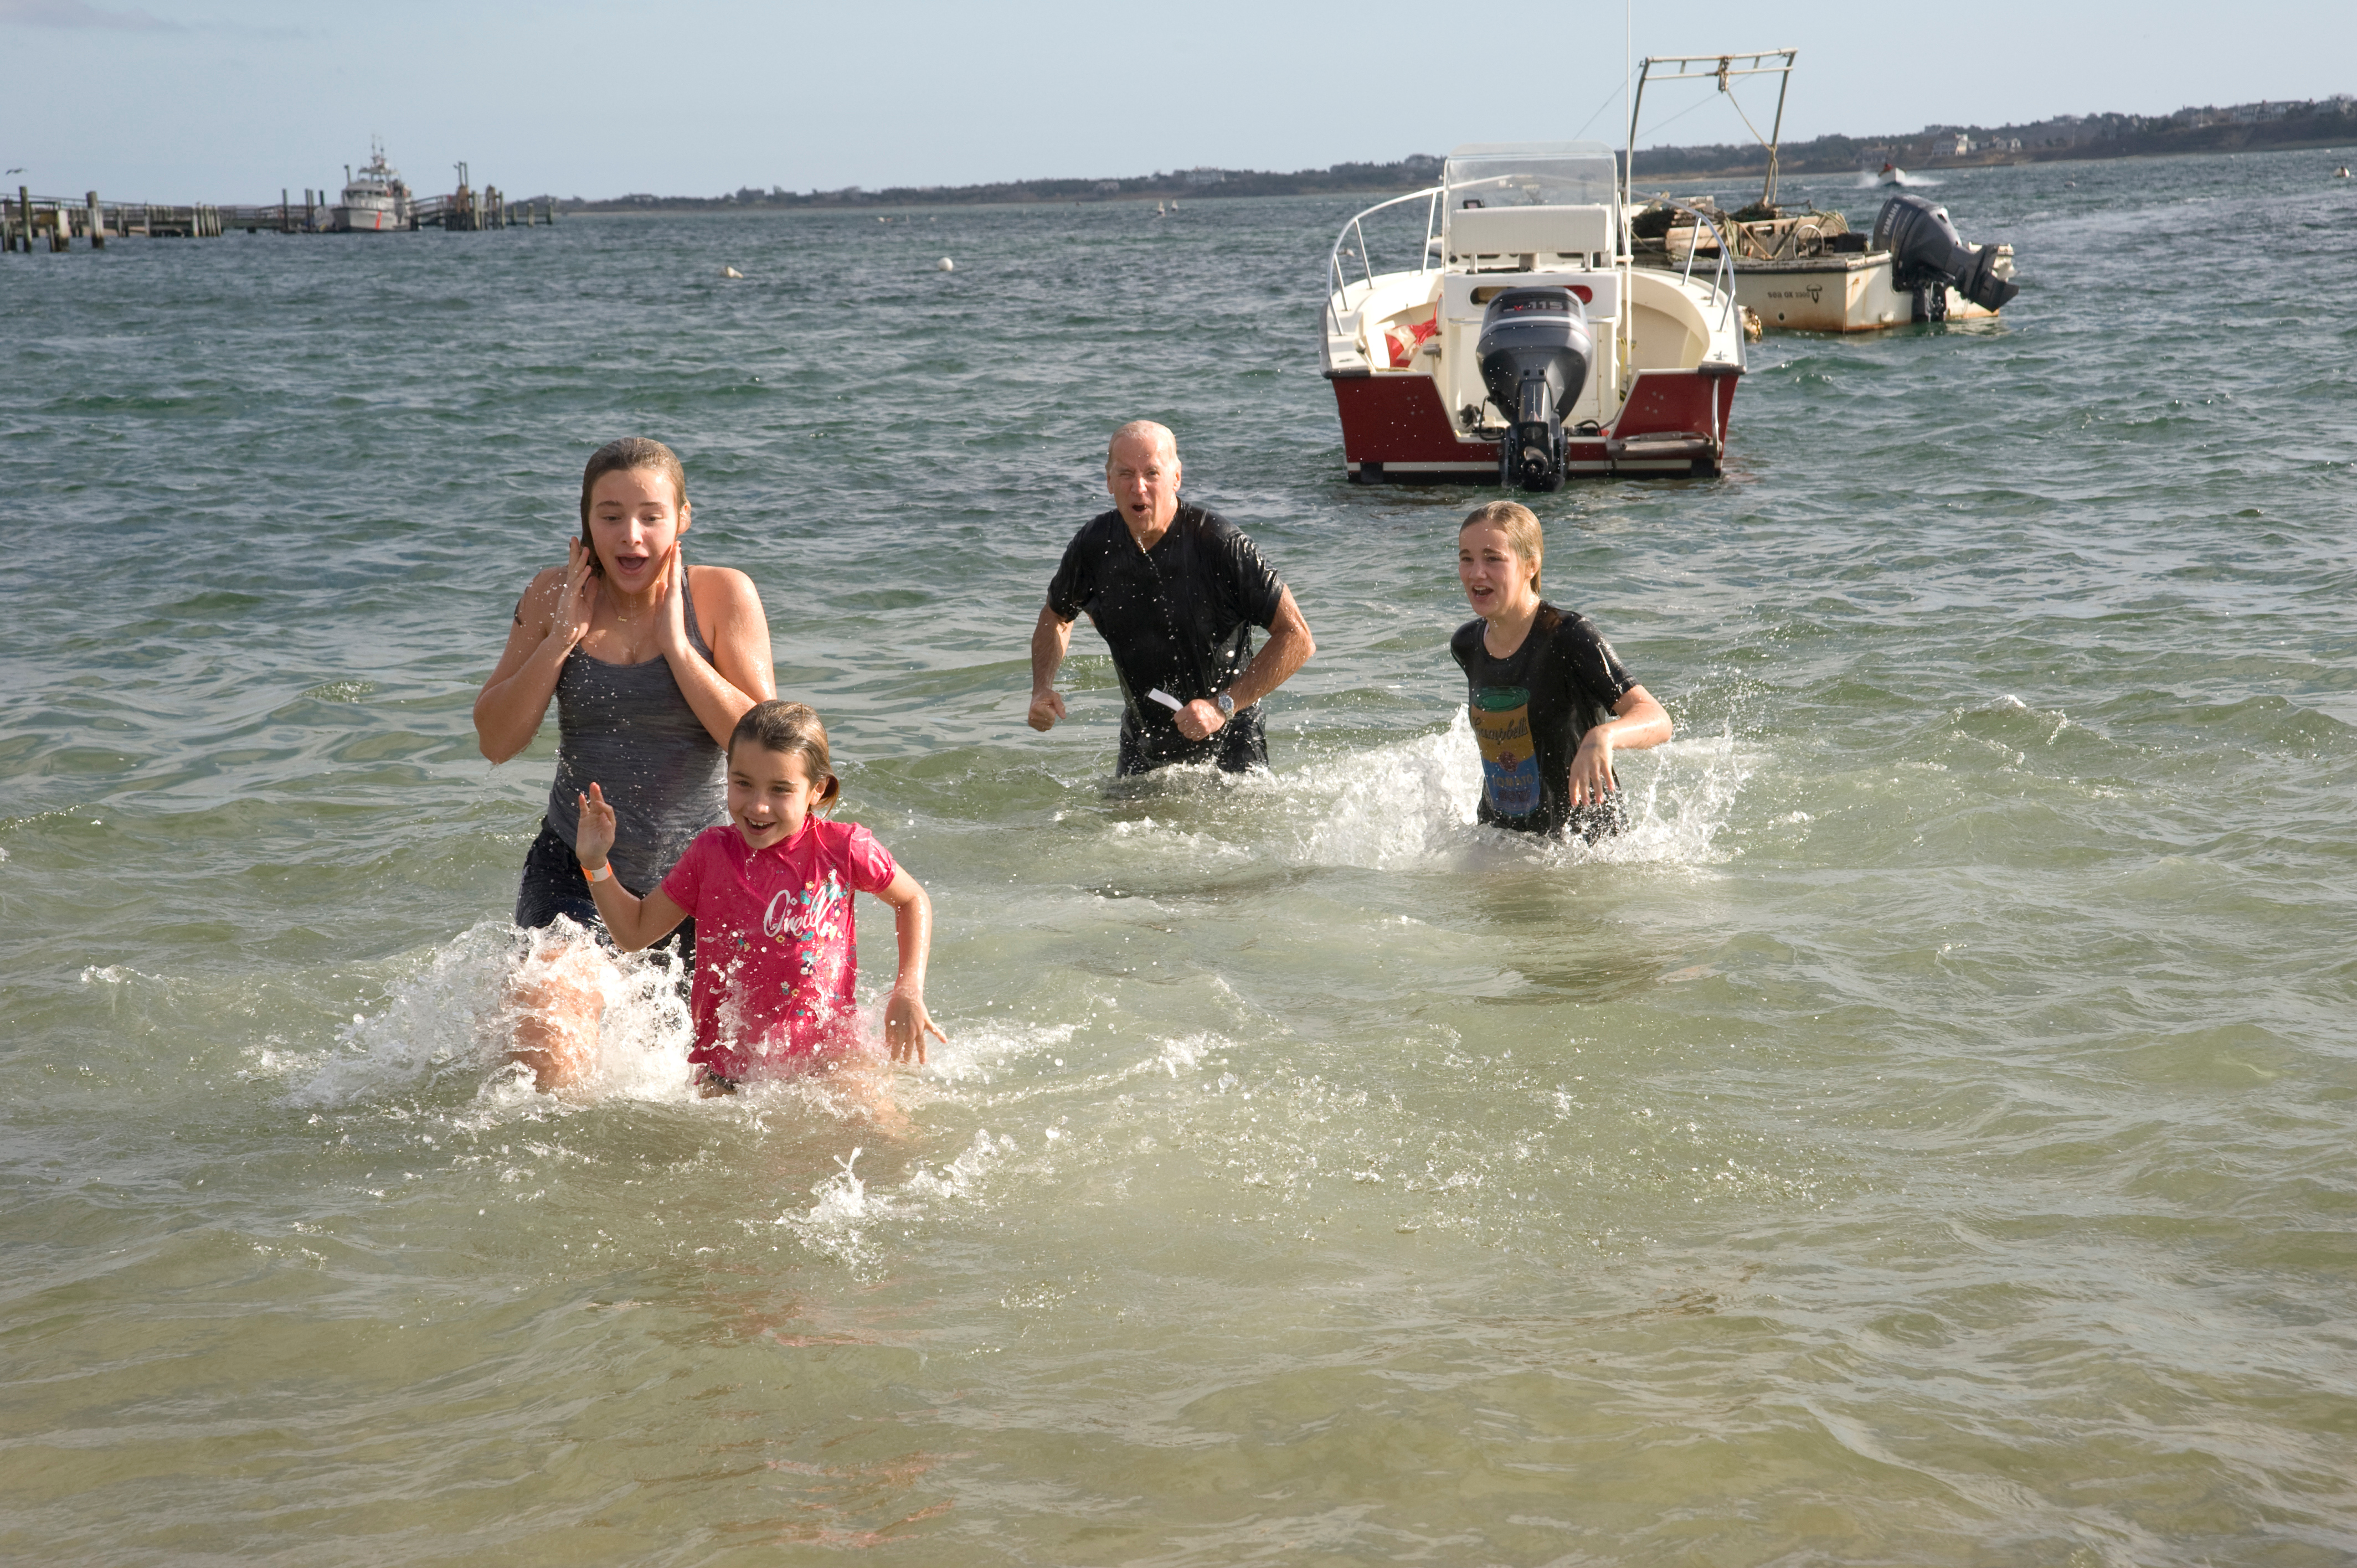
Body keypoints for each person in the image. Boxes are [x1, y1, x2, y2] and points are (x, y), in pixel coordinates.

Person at [473, 438, 776, 1090]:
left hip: (709, 876)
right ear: (585, 524)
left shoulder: (722, 596)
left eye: (650, 515)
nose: (631, 535)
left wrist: (677, 646)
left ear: (682, 519)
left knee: (726, 1092)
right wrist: (560, 639)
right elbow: (495, 741)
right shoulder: (553, 593)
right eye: (609, 515)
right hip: (578, 866)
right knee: (545, 1052)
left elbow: (764, 748)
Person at [573, 701, 945, 1092]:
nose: (758, 805)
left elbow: (912, 900)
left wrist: (908, 988)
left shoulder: (844, 848)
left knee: (888, 1141)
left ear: (816, 790)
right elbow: (632, 934)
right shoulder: (711, 854)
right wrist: (596, 863)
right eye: (743, 783)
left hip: (829, 1062)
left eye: (781, 789)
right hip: (727, 1074)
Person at [1028, 421, 1315, 774]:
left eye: (1152, 473)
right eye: (1125, 474)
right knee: (1113, 831)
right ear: (1108, 481)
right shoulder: (1093, 546)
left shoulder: (1220, 545)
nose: (1139, 487)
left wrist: (1221, 706)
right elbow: (1057, 616)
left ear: (1176, 478)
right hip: (1143, 741)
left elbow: (1297, 636)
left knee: (1235, 830)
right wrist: (1042, 687)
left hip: (1230, 737)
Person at [1450, 501, 1672, 838]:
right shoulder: (1467, 643)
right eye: (1467, 558)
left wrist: (1604, 736)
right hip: (1501, 840)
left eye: (1493, 558)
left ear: (1531, 565)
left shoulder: (1569, 636)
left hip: (1583, 849)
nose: (1476, 572)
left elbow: (1657, 719)